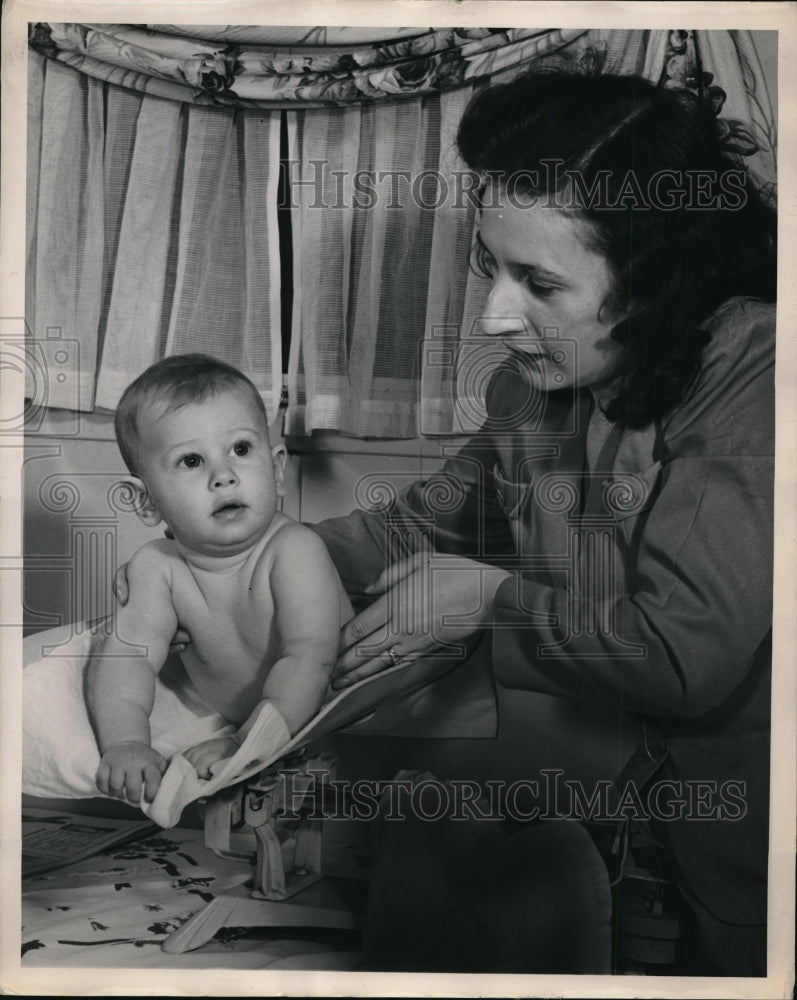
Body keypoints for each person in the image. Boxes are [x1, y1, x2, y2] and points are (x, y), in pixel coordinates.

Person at [311, 72, 776, 976]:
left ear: (654, 277)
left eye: (538, 282)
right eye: (491, 264)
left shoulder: (755, 368)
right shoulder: (539, 384)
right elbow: (423, 527)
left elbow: (683, 656)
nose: (493, 315)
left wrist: (488, 602)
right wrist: (251, 561)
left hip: (736, 868)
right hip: (604, 830)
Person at [87, 353, 348, 806]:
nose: (223, 476)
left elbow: (310, 659)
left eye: (241, 450)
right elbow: (128, 661)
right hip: (231, 718)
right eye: (191, 461)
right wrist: (125, 743)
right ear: (146, 503)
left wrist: (247, 744)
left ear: (278, 468)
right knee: (90, 658)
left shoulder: (294, 551)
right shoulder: (156, 567)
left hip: (322, 716)